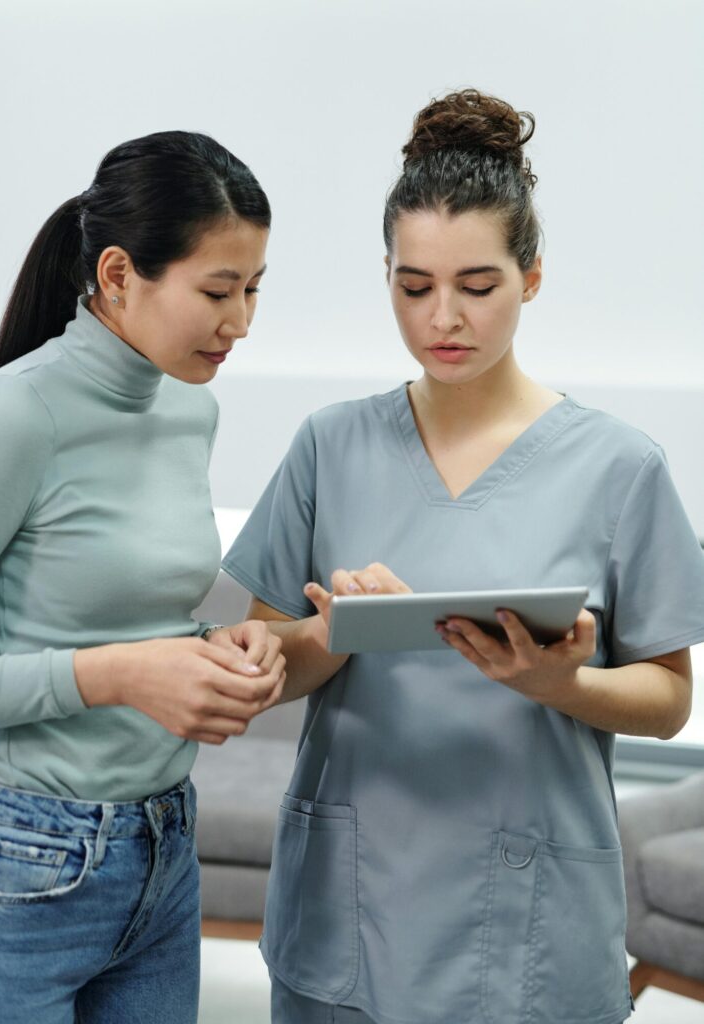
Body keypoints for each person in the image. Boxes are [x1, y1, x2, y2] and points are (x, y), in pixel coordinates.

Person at [221, 90, 704, 1024]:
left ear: (531, 277)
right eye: (413, 287)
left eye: (476, 286)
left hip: (529, 919)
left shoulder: (620, 467)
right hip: (350, 911)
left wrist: (557, 682)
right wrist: (330, 633)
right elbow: (265, 668)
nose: (442, 318)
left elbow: (669, 697)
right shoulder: (330, 446)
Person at [0, 130, 285, 1024]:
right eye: (216, 291)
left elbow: (130, 613)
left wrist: (219, 649)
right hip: (19, 859)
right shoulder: (15, 417)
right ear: (121, 275)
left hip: (162, 849)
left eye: (252, 289)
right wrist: (120, 675)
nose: (239, 322)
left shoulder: (187, 408)